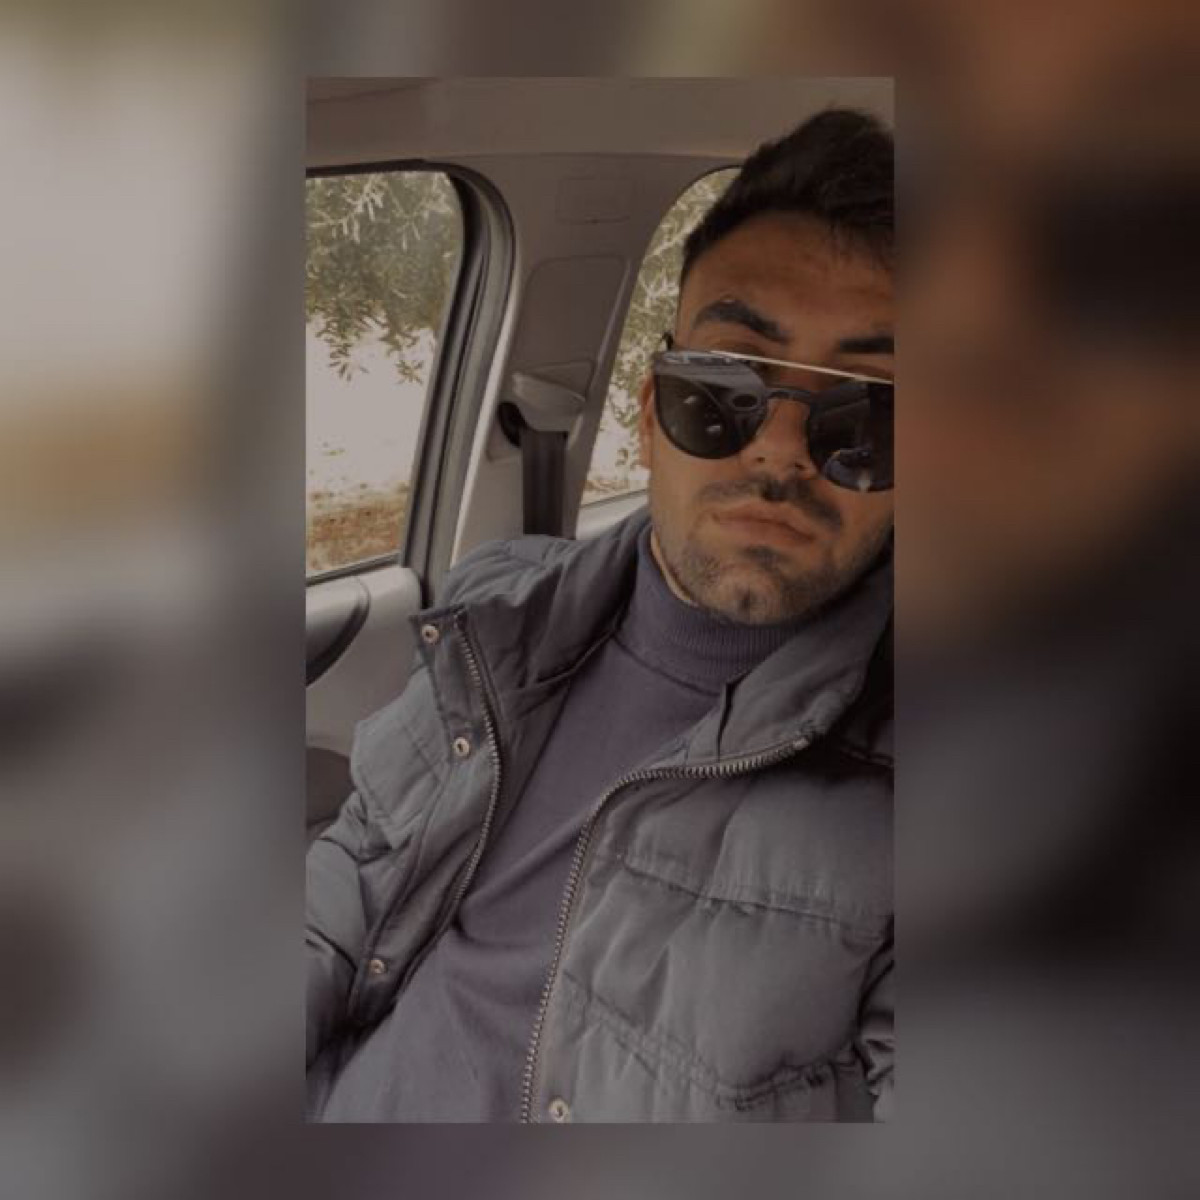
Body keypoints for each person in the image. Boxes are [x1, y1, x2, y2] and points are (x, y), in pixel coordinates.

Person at [306, 107, 895, 1123]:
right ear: (651, 414)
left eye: (871, 412)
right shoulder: (500, 612)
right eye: (727, 387)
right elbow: (350, 884)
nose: (781, 450)